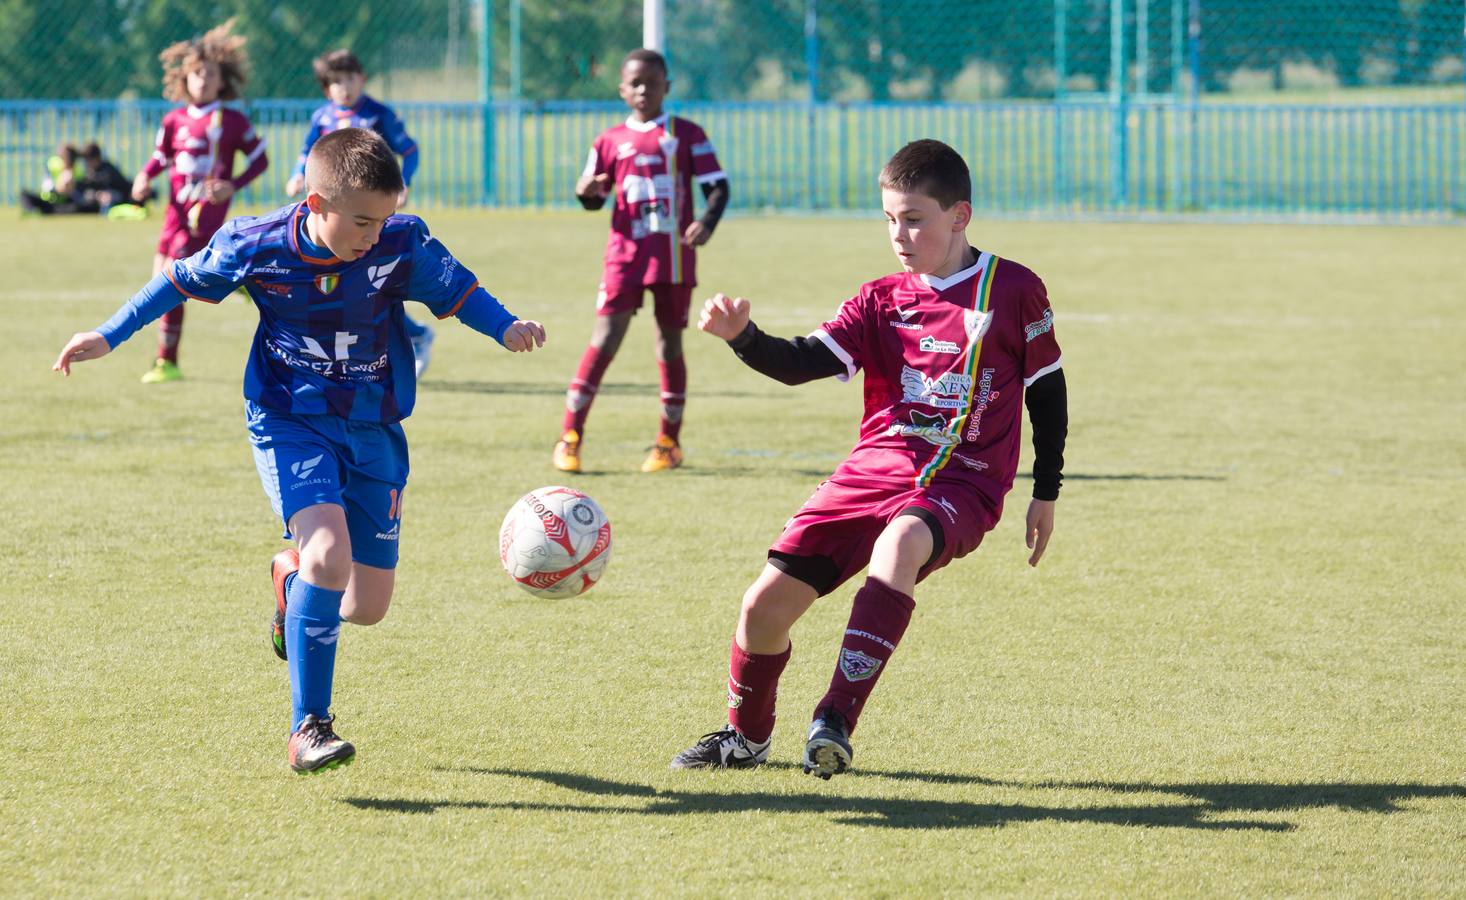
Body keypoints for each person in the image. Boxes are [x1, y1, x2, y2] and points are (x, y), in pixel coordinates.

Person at [53, 128, 547, 774]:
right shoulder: (255, 245)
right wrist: (109, 335)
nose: (374, 234)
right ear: (314, 204)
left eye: (384, 218)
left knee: (365, 606)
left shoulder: (401, 242)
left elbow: (459, 293)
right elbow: (176, 280)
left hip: (374, 427)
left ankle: (293, 582)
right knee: (327, 553)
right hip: (290, 418)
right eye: (361, 221)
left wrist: (505, 324)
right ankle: (308, 728)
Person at [670, 139, 1068, 779]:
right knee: (760, 609)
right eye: (889, 219)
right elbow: (803, 362)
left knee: (901, 545)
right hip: (873, 471)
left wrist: (1044, 491)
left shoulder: (1014, 289)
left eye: (914, 219)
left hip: (962, 482)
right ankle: (745, 738)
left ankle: (834, 719)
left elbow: (1047, 390)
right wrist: (743, 337)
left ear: (959, 216)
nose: (900, 235)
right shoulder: (881, 298)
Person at [552, 48, 729, 474]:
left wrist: (706, 222)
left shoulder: (686, 134)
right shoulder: (609, 141)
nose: (644, 90)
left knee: (669, 344)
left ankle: (669, 443)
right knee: (604, 339)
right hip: (625, 257)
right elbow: (591, 197)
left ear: (667, 86)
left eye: (652, 82)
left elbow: (718, 187)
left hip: (672, 259)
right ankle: (570, 436)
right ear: (622, 89)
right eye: (635, 83)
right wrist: (588, 191)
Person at [130, 18, 269, 384]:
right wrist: (145, 176)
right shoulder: (174, 119)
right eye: (196, 74)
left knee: (169, 281)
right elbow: (161, 156)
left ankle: (166, 362)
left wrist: (231, 185)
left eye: (209, 74)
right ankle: (236, 278)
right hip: (174, 215)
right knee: (160, 277)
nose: (203, 80)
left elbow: (261, 160)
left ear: (221, 80)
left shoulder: (233, 120)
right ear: (184, 80)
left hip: (202, 216)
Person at [284, 49, 436, 378]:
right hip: (336, 218)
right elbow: (308, 152)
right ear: (327, 89)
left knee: (371, 278)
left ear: (362, 79)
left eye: (350, 78)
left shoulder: (378, 115)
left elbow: (409, 150)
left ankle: (412, 335)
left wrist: (402, 185)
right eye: (336, 81)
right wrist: (299, 173)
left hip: (368, 216)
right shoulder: (322, 117)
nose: (344, 87)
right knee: (351, 282)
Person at [18, 144, 82, 214]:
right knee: (24, 194)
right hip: (49, 200)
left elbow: (79, 194)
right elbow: (47, 186)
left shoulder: (78, 170)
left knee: (77, 206)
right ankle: (33, 210)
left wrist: (70, 189)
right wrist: (58, 187)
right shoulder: (53, 164)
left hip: (66, 202)